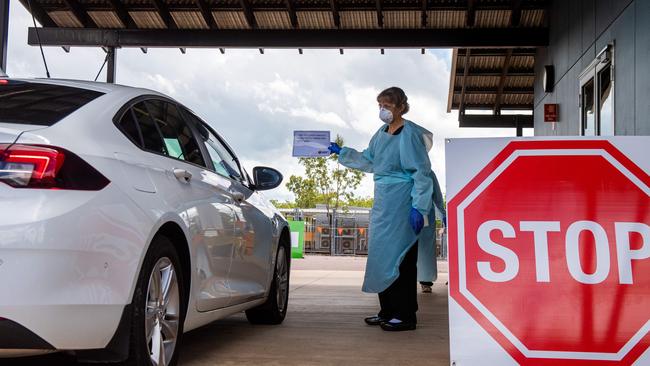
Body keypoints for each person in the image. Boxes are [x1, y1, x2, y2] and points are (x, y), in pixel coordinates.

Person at [328, 87, 433, 332]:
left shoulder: (410, 134)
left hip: (403, 201)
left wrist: (419, 206)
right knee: (381, 256)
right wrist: (341, 152)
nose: (382, 110)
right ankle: (387, 310)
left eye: (386, 105)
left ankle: (406, 315)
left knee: (403, 258)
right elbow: (369, 159)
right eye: (380, 105)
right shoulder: (381, 132)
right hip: (383, 202)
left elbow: (422, 173)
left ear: (400, 107)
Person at [417, 171, 446, 293]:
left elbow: (437, 197)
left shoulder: (428, 172)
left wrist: (443, 215)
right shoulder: (398, 167)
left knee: (425, 249)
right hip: (403, 212)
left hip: (425, 213)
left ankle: (425, 281)